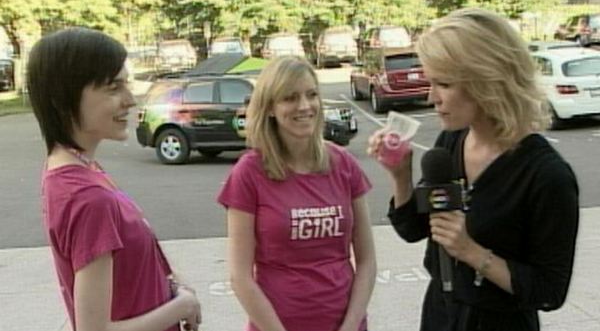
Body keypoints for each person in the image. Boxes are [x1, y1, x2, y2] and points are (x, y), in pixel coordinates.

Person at [367, 8, 579, 331]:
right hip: (441, 314)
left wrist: (472, 252)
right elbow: (414, 229)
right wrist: (400, 176)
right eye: (430, 82)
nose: (431, 97)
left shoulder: (547, 175)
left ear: (487, 81)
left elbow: (549, 291)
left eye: (444, 84)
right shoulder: (450, 143)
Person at [28, 28, 201, 331]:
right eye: (113, 87)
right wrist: (181, 307)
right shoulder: (87, 197)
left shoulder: (79, 168)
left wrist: (171, 283)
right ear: (62, 98)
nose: (130, 100)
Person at [218, 56, 376, 331]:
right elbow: (240, 278)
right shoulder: (249, 172)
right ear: (269, 108)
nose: (304, 106)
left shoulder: (343, 164)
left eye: (311, 95)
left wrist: (350, 326)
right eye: (290, 98)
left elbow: (366, 261)